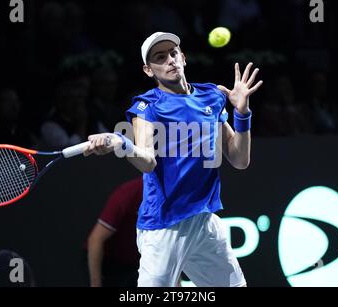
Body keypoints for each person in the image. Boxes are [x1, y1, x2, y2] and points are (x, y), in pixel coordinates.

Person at [83, 32, 263, 287]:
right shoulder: (147, 106)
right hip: (164, 227)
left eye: (173, 53)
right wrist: (121, 143)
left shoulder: (211, 96)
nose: (169, 60)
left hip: (204, 221)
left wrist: (242, 112)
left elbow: (239, 158)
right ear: (148, 70)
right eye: (159, 57)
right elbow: (147, 161)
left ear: (183, 58)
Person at [86, 177, 143, 287]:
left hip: (137, 263)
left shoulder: (173, 197)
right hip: (107, 263)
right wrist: (95, 284)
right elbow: (95, 239)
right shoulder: (128, 193)